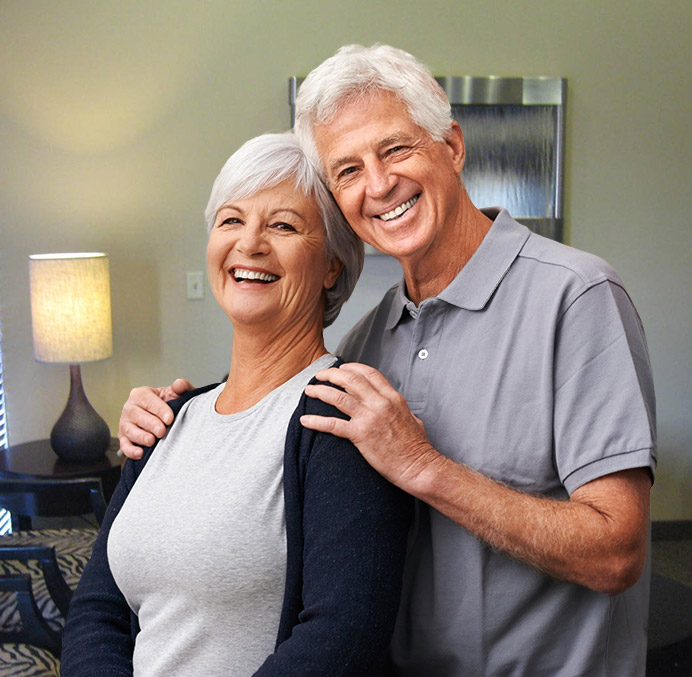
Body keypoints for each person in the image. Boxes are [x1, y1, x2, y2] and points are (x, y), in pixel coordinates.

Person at [118, 45, 657, 676]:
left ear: (451, 147)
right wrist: (169, 423)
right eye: (347, 171)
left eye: (395, 149)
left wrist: (425, 467)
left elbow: (616, 553)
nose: (377, 185)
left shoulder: (575, 296)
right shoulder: (364, 346)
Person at [60, 132, 412, 676]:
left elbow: (342, 635)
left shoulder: (340, 417)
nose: (250, 243)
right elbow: (97, 609)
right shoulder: (166, 418)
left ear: (332, 266)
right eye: (231, 220)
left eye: (283, 225)